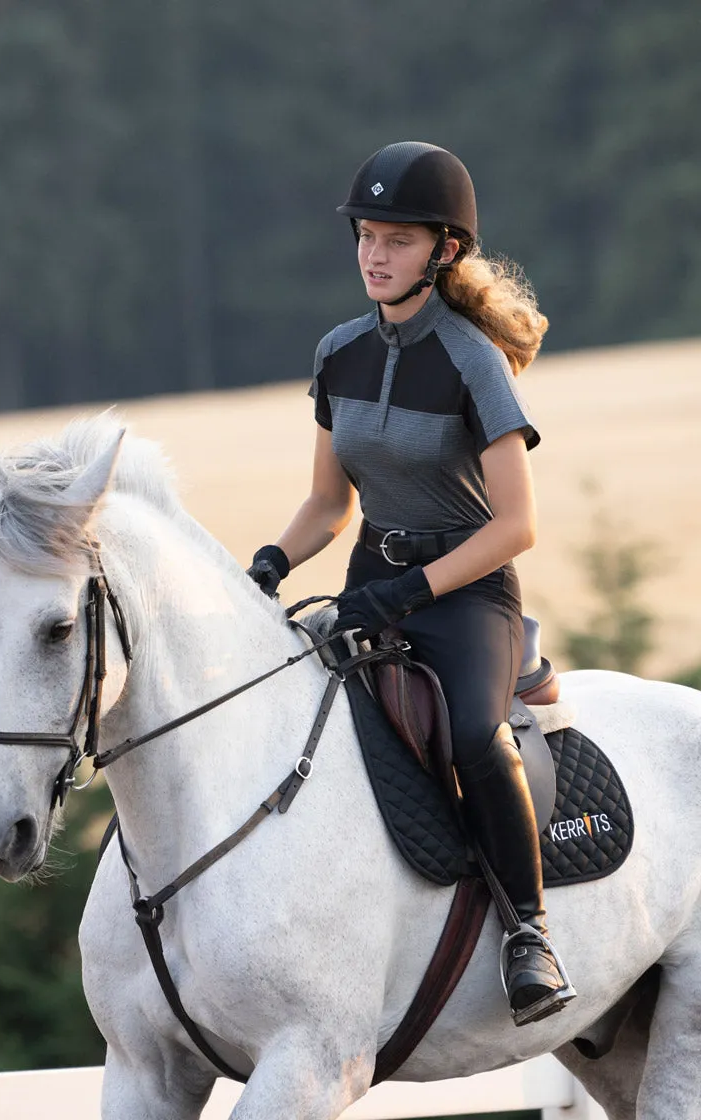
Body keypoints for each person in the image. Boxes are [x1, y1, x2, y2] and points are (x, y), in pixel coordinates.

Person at [247, 141, 575, 1027]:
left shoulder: (474, 361)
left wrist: (413, 592)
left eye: (395, 240)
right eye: (365, 236)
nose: (372, 255)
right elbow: (328, 501)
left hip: (468, 595)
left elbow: (518, 526)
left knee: (471, 734)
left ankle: (529, 934)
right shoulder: (340, 352)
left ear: (444, 251)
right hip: (369, 579)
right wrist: (270, 563)